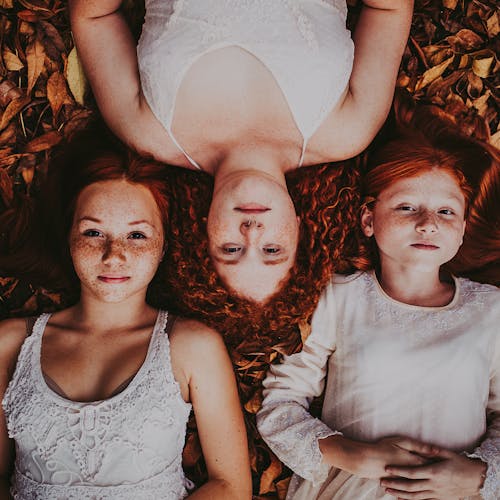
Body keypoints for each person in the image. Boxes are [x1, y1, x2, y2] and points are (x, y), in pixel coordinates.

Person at [67, 0, 414, 302]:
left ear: (205, 232)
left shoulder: (147, 132)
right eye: (272, 250)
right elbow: (389, 8)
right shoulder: (348, 131)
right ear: (298, 228)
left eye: (231, 250)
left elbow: (94, 19)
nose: (251, 232)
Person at [256, 101, 500, 499]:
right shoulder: (339, 297)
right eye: (407, 207)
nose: (428, 223)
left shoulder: (491, 310)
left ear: (460, 231)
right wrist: (356, 456)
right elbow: (280, 405)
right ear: (369, 220)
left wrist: (477, 475)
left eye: (445, 211)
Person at [0, 129, 252, 499]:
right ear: (69, 237)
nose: (114, 255)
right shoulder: (10, 344)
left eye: (136, 236)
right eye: (93, 233)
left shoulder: (191, 347)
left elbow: (230, 485)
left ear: (163, 244)